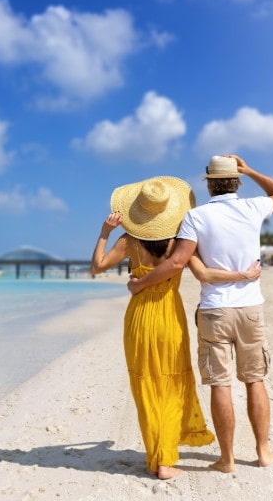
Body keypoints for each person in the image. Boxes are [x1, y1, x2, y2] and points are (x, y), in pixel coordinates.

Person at [91, 176, 261, 480]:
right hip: (170, 318)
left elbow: (97, 267)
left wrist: (105, 233)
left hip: (140, 319)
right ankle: (165, 458)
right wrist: (243, 274)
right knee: (171, 384)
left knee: (147, 387)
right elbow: (205, 274)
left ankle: (160, 459)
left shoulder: (128, 241)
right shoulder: (179, 243)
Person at [128, 155, 273, 473]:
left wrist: (141, 283)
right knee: (255, 380)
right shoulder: (253, 208)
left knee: (221, 384)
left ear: (208, 183)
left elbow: (176, 263)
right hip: (250, 307)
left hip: (216, 310)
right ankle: (263, 451)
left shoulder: (196, 217)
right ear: (237, 181)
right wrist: (251, 169)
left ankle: (227, 459)